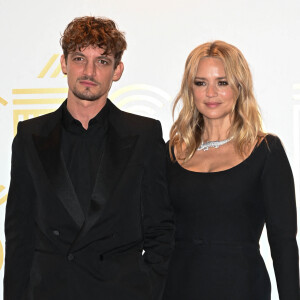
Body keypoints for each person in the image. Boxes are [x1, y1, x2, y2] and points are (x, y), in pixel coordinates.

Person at [4, 16, 174, 300]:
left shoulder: (144, 135)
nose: (89, 71)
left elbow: (160, 227)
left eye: (103, 61)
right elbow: (20, 235)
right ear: (63, 64)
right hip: (50, 292)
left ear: (117, 70)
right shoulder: (30, 136)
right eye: (80, 58)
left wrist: (146, 290)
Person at [162, 40, 299, 300]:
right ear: (190, 90)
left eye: (222, 82)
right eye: (200, 83)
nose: (210, 93)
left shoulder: (266, 150)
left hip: (242, 288)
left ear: (239, 87)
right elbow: (157, 235)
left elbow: (283, 242)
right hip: (177, 287)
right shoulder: (171, 152)